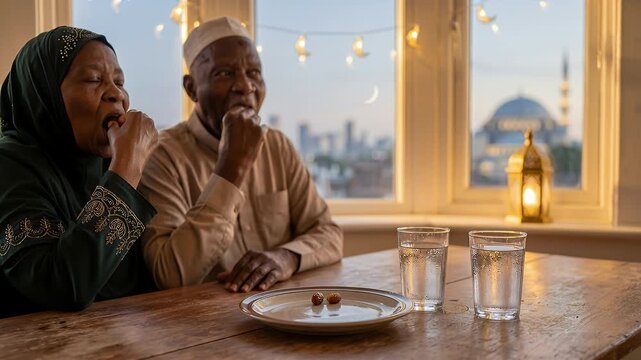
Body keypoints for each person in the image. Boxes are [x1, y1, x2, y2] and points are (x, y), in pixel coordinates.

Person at [139, 17, 343, 292]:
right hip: (201, 327)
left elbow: (329, 234)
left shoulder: (277, 146)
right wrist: (230, 169)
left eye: (254, 73)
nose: (245, 86)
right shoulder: (163, 157)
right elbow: (170, 275)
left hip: (283, 313)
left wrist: (286, 257)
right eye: (224, 73)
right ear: (191, 89)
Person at [0, 26, 159, 317]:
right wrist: (127, 167)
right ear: (44, 94)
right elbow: (65, 286)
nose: (116, 95)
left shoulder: (101, 166)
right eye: (94, 80)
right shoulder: (8, 163)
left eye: (120, 82)